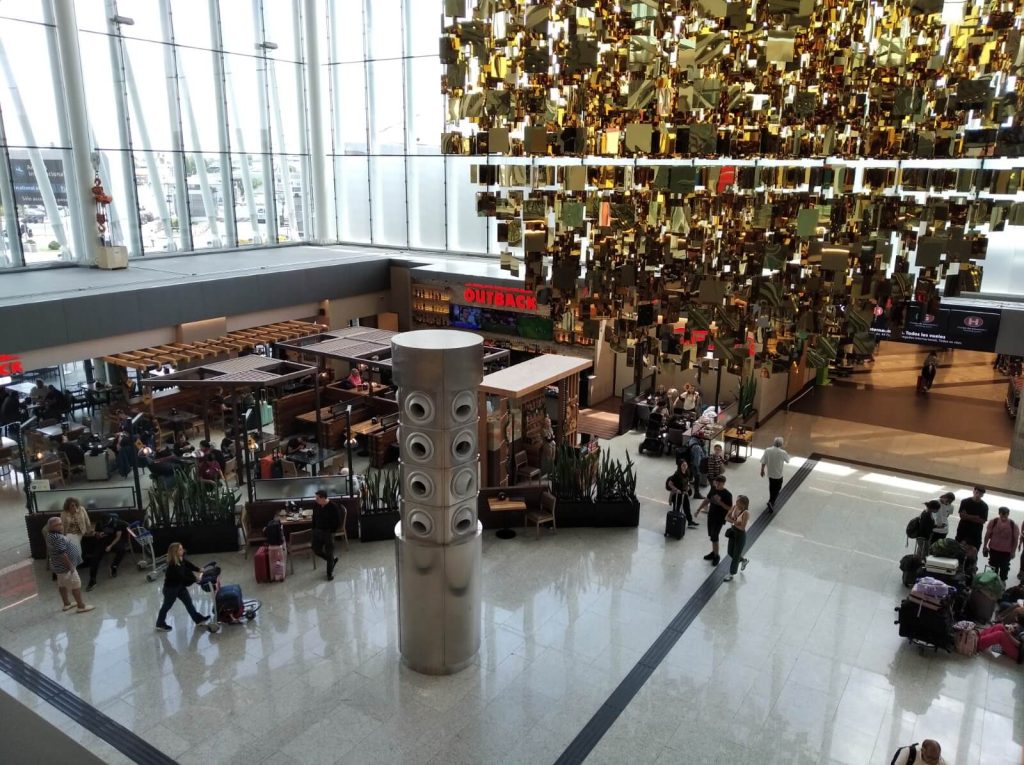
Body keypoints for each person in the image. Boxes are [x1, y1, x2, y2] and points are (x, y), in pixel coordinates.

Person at [155, 543, 211, 631]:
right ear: (175, 552)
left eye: (182, 548)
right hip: (171, 589)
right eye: (180, 549)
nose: (183, 550)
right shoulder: (173, 565)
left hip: (179, 586)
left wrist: (198, 569)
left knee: (189, 603)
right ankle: (160, 623)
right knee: (166, 606)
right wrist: (195, 579)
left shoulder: (180, 559)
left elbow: (188, 565)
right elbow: (182, 576)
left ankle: (198, 619)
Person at [45, 517, 94, 614]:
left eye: (61, 523)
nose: (61, 526)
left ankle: (66, 604)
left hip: (59, 567)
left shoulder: (50, 535)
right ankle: (81, 606)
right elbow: (62, 553)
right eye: (57, 525)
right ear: (51, 527)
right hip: (66, 567)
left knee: (62, 584)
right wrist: (70, 566)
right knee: (76, 585)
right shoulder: (57, 538)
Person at [86, 514, 131, 591]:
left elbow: (118, 537)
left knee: (122, 550)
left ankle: (114, 566)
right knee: (95, 557)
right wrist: (98, 535)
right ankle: (92, 579)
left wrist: (110, 546)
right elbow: (96, 534)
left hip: (115, 540)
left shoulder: (118, 523)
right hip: (103, 540)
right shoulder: (99, 524)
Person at [697, 475, 732, 566]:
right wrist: (698, 509)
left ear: (723, 483)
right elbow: (707, 500)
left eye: (719, 483)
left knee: (715, 536)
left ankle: (716, 556)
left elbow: (729, 508)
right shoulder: (713, 490)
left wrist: (720, 502)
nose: (717, 484)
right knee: (712, 536)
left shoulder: (727, 494)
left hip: (719, 518)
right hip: (711, 516)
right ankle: (714, 552)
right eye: (716, 482)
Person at [983, 507, 1020, 582]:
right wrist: (984, 546)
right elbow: (987, 534)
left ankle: (1002, 583)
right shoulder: (993, 522)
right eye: (1002, 514)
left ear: (1008, 514)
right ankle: (992, 582)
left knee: (1004, 568)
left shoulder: (1013, 525)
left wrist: (1013, 552)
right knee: (993, 568)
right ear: (999, 513)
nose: (1003, 516)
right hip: (993, 550)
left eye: (1005, 514)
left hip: (1006, 552)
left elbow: (1015, 540)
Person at [311, 490, 340, 581]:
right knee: (316, 549)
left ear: (323, 498)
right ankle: (332, 560)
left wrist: (331, 532)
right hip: (318, 531)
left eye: (317, 498)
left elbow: (337, 522)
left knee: (329, 552)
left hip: (328, 532)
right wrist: (313, 529)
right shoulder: (316, 505)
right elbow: (314, 517)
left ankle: (329, 573)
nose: (315, 500)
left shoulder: (333, 507)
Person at [723, 494, 751, 581]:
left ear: (743, 504)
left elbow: (742, 527)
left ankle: (731, 573)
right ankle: (743, 560)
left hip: (740, 535)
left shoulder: (746, 513)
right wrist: (735, 522)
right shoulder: (734, 507)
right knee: (730, 552)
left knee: (736, 555)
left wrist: (733, 522)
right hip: (733, 532)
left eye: (738, 501)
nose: (736, 502)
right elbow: (726, 517)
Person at [760, 436, 790, 512]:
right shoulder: (783, 452)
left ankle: (771, 500)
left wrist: (762, 470)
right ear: (781, 444)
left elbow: (763, 461)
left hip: (770, 474)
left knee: (771, 487)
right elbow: (788, 460)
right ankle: (771, 502)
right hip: (778, 475)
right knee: (777, 488)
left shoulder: (767, 450)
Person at [954, 486, 989, 551]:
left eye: (980, 494)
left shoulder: (984, 506)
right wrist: (975, 517)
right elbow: (962, 516)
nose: (978, 495)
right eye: (977, 492)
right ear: (973, 491)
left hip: (975, 532)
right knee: (958, 550)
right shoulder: (965, 501)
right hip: (962, 530)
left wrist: (967, 516)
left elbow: (982, 521)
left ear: (982, 495)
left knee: (973, 551)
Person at [666, 460, 698, 530]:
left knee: (687, 508)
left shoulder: (687, 472)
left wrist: (688, 487)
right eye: (683, 465)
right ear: (680, 466)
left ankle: (690, 522)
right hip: (677, 495)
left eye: (686, 465)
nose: (685, 466)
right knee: (676, 509)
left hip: (684, 494)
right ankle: (674, 524)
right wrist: (676, 489)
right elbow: (670, 484)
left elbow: (687, 481)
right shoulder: (677, 474)